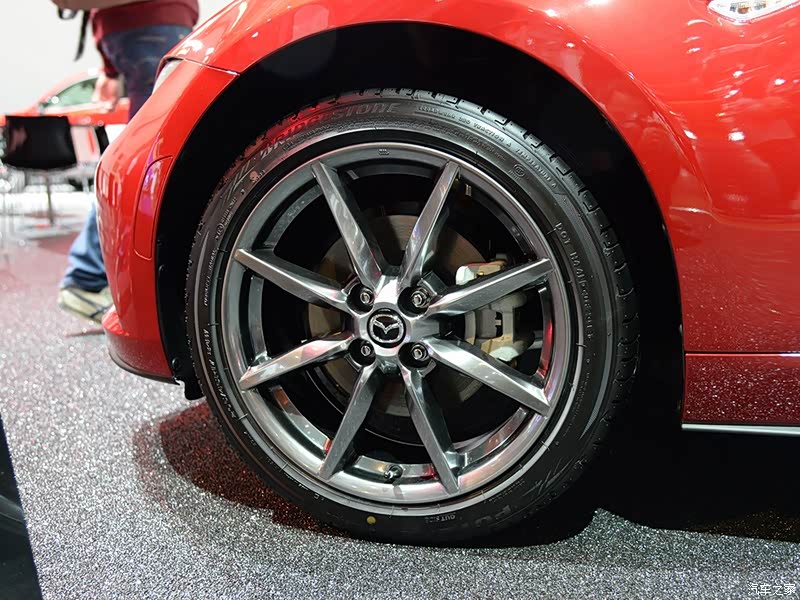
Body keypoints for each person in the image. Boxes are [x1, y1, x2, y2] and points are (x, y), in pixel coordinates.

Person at [54, 0, 199, 322]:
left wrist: (109, 65)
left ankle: (91, 275)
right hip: (153, 22)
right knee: (148, 157)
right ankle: (87, 276)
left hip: (137, 25)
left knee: (147, 153)